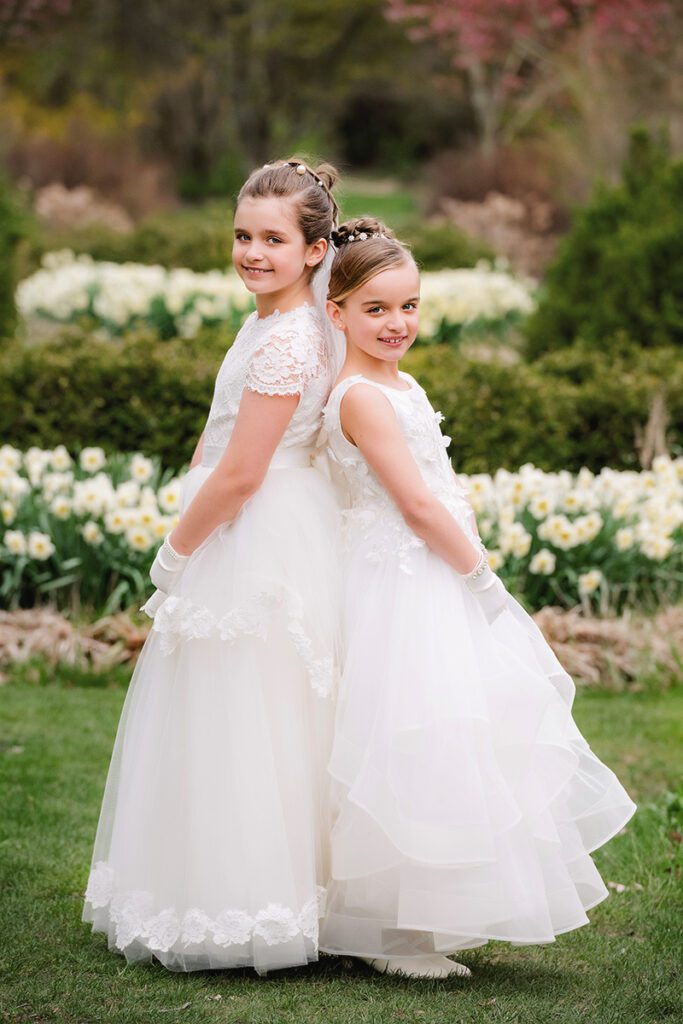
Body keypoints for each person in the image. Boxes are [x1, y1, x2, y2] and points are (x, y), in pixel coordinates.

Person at [318, 218, 637, 980]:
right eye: (376, 310)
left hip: (428, 575)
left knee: (454, 738)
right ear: (336, 314)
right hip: (401, 580)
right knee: (412, 735)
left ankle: (427, 913)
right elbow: (415, 506)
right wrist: (483, 579)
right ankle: (393, 931)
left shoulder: (401, 383)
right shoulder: (361, 396)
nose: (397, 324)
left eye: (409, 307)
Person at [82, 159, 345, 975]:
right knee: (232, 710)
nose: (251, 252)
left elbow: (242, 472)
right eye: (241, 235)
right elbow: (217, 435)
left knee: (250, 710)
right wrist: (190, 488)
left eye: (273, 239)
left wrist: (174, 550)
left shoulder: (291, 337)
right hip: (239, 519)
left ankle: (252, 901)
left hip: (258, 534)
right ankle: (219, 885)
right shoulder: (264, 321)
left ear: (313, 250)